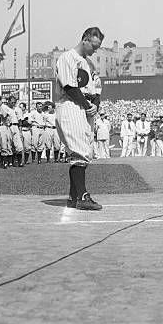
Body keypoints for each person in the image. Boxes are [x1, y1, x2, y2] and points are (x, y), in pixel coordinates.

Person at [55, 26, 104, 210]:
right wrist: (86, 105)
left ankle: (73, 196)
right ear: (85, 39)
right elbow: (69, 87)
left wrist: (95, 105)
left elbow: (97, 89)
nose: (95, 49)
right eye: (94, 45)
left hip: (86, 107)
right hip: (72, 105)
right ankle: (83, 197)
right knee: (79, 152)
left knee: (83, 152)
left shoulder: (89, 64)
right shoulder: (68, 58)